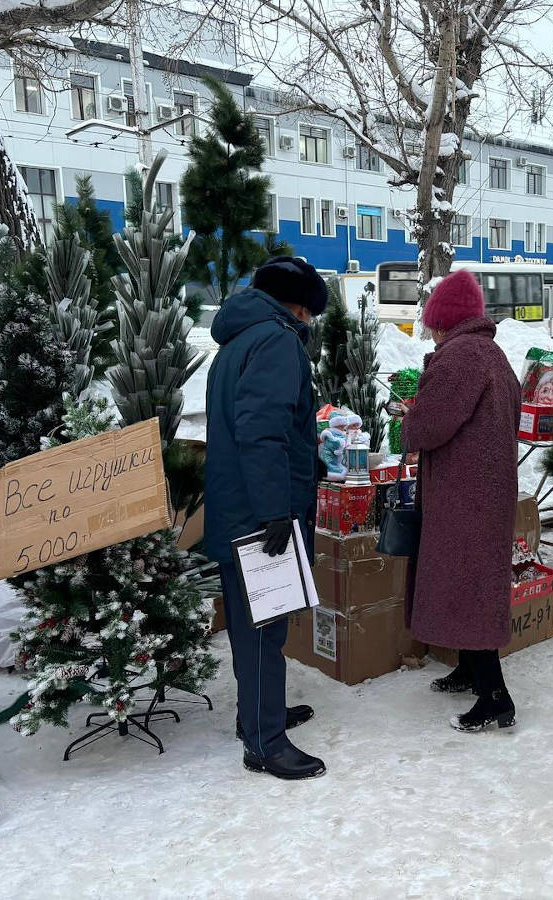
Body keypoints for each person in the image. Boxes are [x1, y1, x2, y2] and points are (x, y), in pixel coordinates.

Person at [204, 257, 328, 781]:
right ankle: (265, 743)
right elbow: (262, 431)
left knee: (252, 625)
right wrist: (278, 508)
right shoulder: (277, 341)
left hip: (238, 506)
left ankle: (258, 715)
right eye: (308, 312)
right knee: (264, 630)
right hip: (261, 515)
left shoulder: (237, 341)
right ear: (296, 305)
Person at [397, 270, 522, 732]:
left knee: (467, 587)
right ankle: (470, 668)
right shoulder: (491, 353)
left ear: (444, 320)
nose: (430, 329)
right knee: (473, 583)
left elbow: (427, 429)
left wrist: (411, 418)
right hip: (487, 493)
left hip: (463, 497)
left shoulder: (458, 359)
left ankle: (495, 696)